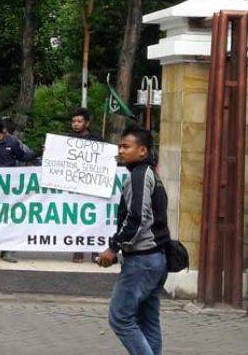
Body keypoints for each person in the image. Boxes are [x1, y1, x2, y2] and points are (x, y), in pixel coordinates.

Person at [99, 127, 169, 355]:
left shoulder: (139, 176)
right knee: (148, 322)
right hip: (156, 259)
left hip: (142, 260)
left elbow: (138, 218)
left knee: (120, 318)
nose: (121, 150)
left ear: (142, 151)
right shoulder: (152, 175)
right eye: (119, 146)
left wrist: (113, 246)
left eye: (126, 146)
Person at [0, 115, 36, 263]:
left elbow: (25, 156)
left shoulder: (12, 142)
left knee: (9, 219)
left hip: (10, 189)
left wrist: (39, 154)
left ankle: (7, 251)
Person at [68, 107, 103, 263]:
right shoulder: (66, 139)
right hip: (74, 186)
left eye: (79, 121)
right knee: (77, 218)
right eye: (74, 121)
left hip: (93, 186)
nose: (76, 124)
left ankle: (95, 250)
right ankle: (78, 250)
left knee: (93, 218)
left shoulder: (97, 140)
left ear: (87, 123)